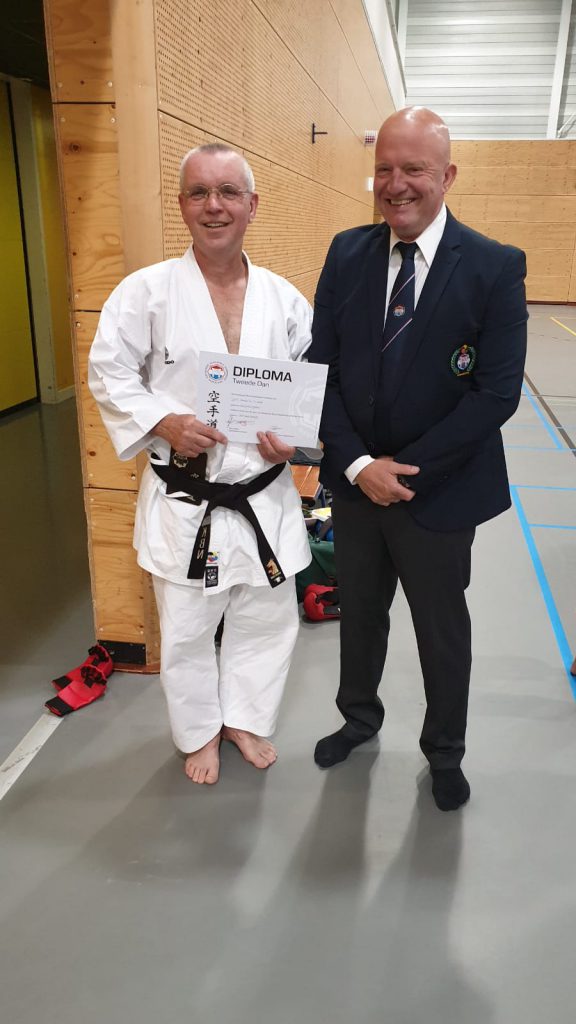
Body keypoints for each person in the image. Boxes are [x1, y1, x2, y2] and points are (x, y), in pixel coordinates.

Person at [308, 107, 527, 810]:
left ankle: (445, 751)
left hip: (438, 494)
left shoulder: (494, 266)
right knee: (360, 614)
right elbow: (321, 370)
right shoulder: (347, 253)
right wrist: (357, 467)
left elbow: (495, 394)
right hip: (355, 487)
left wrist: (402, 473)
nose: (395, 184)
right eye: (384, 169)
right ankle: (358, 718)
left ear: (447, 175)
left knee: (441, 629)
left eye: (414, 169)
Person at [89, 143, 312, 784]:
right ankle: (199, 732)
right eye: (198, 192)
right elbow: (108, 371)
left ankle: (244, 718)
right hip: (187, 497)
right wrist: (163, 421)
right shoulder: (146, 292)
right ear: (183, 205)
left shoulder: (285, 299)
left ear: (252, 205)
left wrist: (293, 439)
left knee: (266, 620)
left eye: (228, 192)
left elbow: (308, 385)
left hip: (263, 493)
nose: (214, 206)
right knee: (187, 627)